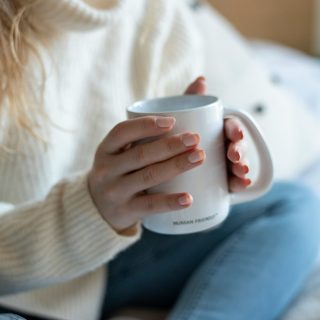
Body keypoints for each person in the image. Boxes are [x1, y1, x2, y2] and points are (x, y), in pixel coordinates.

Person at [0, 1, 319, 320]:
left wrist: (212, 167)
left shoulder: (160, 13)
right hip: (14, 283)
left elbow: (178, 187)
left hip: (119, 259)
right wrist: (91, 209)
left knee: (295, 207)